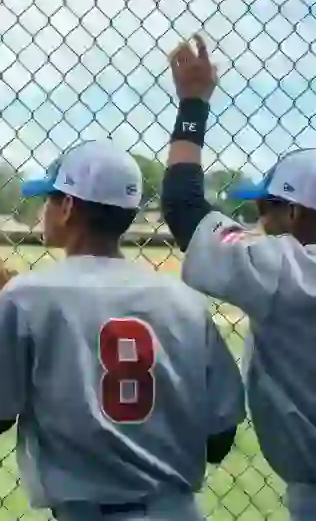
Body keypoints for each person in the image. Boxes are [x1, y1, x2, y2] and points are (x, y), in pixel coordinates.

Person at [0, 138, 245, 521]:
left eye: (49, 199)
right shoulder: (184, 300)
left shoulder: (26, 297)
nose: (42, 209)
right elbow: (219, 439)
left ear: (67, 207)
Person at [161, 35, 316, 519]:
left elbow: (185, 208)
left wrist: (192, 104)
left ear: (292, 212)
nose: (258, 219)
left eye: (264, 207)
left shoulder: (288, 270)